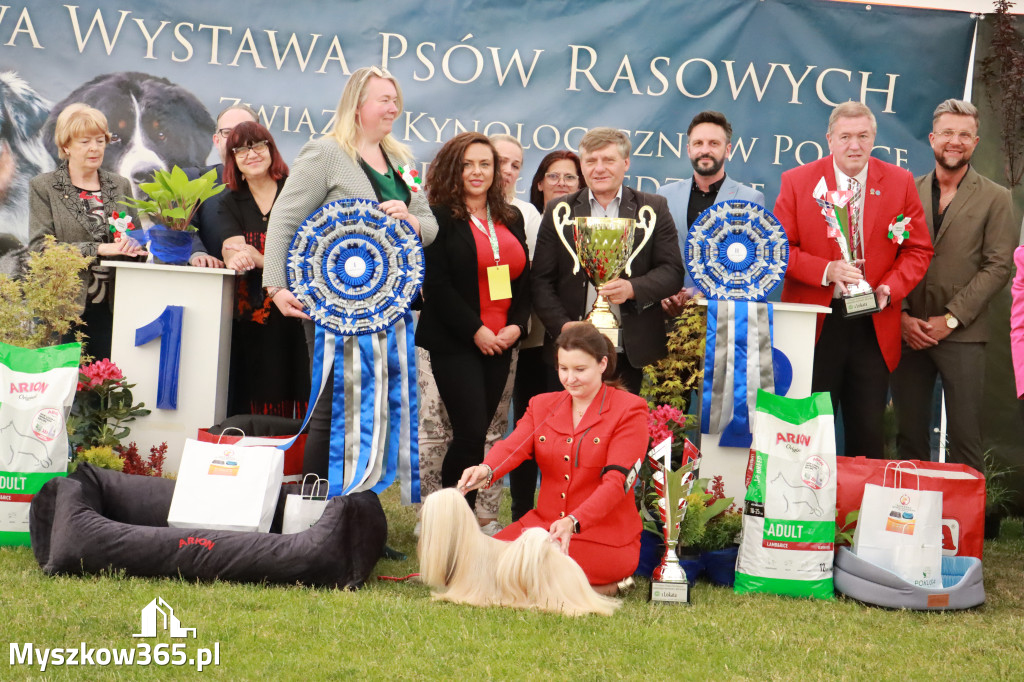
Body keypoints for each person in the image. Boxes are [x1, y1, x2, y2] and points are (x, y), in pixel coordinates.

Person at [262, 65, 438, 480]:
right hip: (329, 301)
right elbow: (285, 219)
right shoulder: (325, 153)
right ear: (357, 106)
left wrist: (411, 222)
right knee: (331, 404)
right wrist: (275, 285)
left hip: (385, 305)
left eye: (396, 100)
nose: (394, 107)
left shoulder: (401, 159)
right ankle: (314, 513)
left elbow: (429, 226)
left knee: (374, 407)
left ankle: (358, 512)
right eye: (384, 100)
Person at [774, 101, 933, 457]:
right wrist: (826, 271)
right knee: (809, 434)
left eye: (863, 136)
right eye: (845, 137)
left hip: (873, 324)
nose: (854, 145)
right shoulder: (797, 182)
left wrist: (889, 290)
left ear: (874, 137)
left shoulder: (899, 182)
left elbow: (918, 250)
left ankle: (861, 510)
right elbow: (779, 249)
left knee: (867, 433)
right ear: (829, 139)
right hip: (816, 323)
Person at [458, 323, 649, 595]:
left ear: (602, 364)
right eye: (563, 369)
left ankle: (607, 583)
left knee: (529, 566)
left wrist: (573, 521)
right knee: (480, 563)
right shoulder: (541, 404)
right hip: (542, 526)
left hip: (603, 538)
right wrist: (486, 469)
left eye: (580, 370)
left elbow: (617, 483)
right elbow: (514, 446)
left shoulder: (630, 410)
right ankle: (589, 588)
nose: (570, 378)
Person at [890, 99, 1016, 473]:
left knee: (965, 437)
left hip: (962, 334)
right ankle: (909, 524)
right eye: (947, 133)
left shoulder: (997, 198)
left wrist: (951, 319)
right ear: (932, 138)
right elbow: (888, 258)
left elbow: (998, 267)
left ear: (976, 142)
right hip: (908, 333)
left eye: (964, 134)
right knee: (908, 434)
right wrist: (903, 316)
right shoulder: (905, 190)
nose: (954, 141)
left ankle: (966, 528)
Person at [416, 132, 530, 516]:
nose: (477, 172)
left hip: (502, 342)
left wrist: (516, 327)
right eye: (467, 164)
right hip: (457, 341)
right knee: (467, 435)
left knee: (479, 437)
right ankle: (449, 527)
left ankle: (461, 523)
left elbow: (522, 281)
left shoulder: (510, 217)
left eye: (485, 164)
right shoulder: (437, 217)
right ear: (453, 168)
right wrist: (476, 331)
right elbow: (437, 285)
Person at [531, 127, 685, 394]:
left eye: (608, 160)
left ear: (626, 163)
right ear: (582, 165)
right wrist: (564, 327)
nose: (599, 169)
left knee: (619, 431)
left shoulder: (653, 208)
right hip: (569, 352)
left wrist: (633, 288)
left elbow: (672, 272)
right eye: (591, 161)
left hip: (630, 350)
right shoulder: (559, 210)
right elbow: (541, 281)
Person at [203, 121, 310, 418]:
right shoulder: (228, 202)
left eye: (258, 145)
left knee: (305, 386)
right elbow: (233, 247)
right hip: (255, 319)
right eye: (241, 149)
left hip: (301, 309)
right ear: (233, 160)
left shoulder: (297, 193)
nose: (251, 154)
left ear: (271, 149)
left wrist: (260, 259)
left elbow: (311, 255)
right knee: (260, 392)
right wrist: (235, 257)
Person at [28, 103, 144, 360]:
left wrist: (134, 247)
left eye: (100, 140)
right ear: (66, 146)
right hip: (63, 308)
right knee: (61, 392)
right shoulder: (44, 187)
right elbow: (40, 248)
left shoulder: (120, 184)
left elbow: (136, 238)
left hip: (114, 307)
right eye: (85, 141)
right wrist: (100, 249)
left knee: (105, 391)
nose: (95, 148)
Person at [657, 110, 766, 315]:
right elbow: (654, 257)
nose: (705, 150)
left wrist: (699, 291)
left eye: (714, 143)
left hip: (722, 317)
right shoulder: (664, 195)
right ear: (688, 150)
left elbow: (752, 267)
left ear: (728, 150)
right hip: (667, 314)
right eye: (698, 143)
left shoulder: (750, 200)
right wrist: (663, 292)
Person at [491, 134, 546, 522]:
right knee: (445, 427)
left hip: (508, 335)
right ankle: (438, 510)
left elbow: (530, 279)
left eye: (515, 166)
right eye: (500, 161)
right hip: (460, 333)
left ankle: (487, 514)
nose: (507, 171)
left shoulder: (526, 214)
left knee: (497, 426)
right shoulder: (446, 210)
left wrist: (516, 326)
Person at [189, 103, 259, 260]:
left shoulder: (280, 188)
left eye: (244, 131)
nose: (236, 138)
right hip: (207, 280)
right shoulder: (196, 179)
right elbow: (181, 228)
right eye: (227, 132)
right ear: (216, 140)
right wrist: (197, 254)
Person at [529, 150, 585, 214]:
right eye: (553, 176)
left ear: (579, 186)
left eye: (569, 177)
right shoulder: (528, 223)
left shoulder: (590, 223)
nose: (561, 183)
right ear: (540, 184)